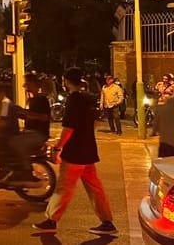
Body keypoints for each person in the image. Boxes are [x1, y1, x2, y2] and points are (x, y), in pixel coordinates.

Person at [33, 67, 117, 236]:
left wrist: (58, 146)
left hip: (74, 153)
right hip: (88, 150)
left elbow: (69, 128)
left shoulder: (73, 100)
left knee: (63, 187)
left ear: (66, 81)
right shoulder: (88, 98)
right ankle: (107, 222)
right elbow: (95, 123)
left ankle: (51, 220)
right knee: (95, 188)